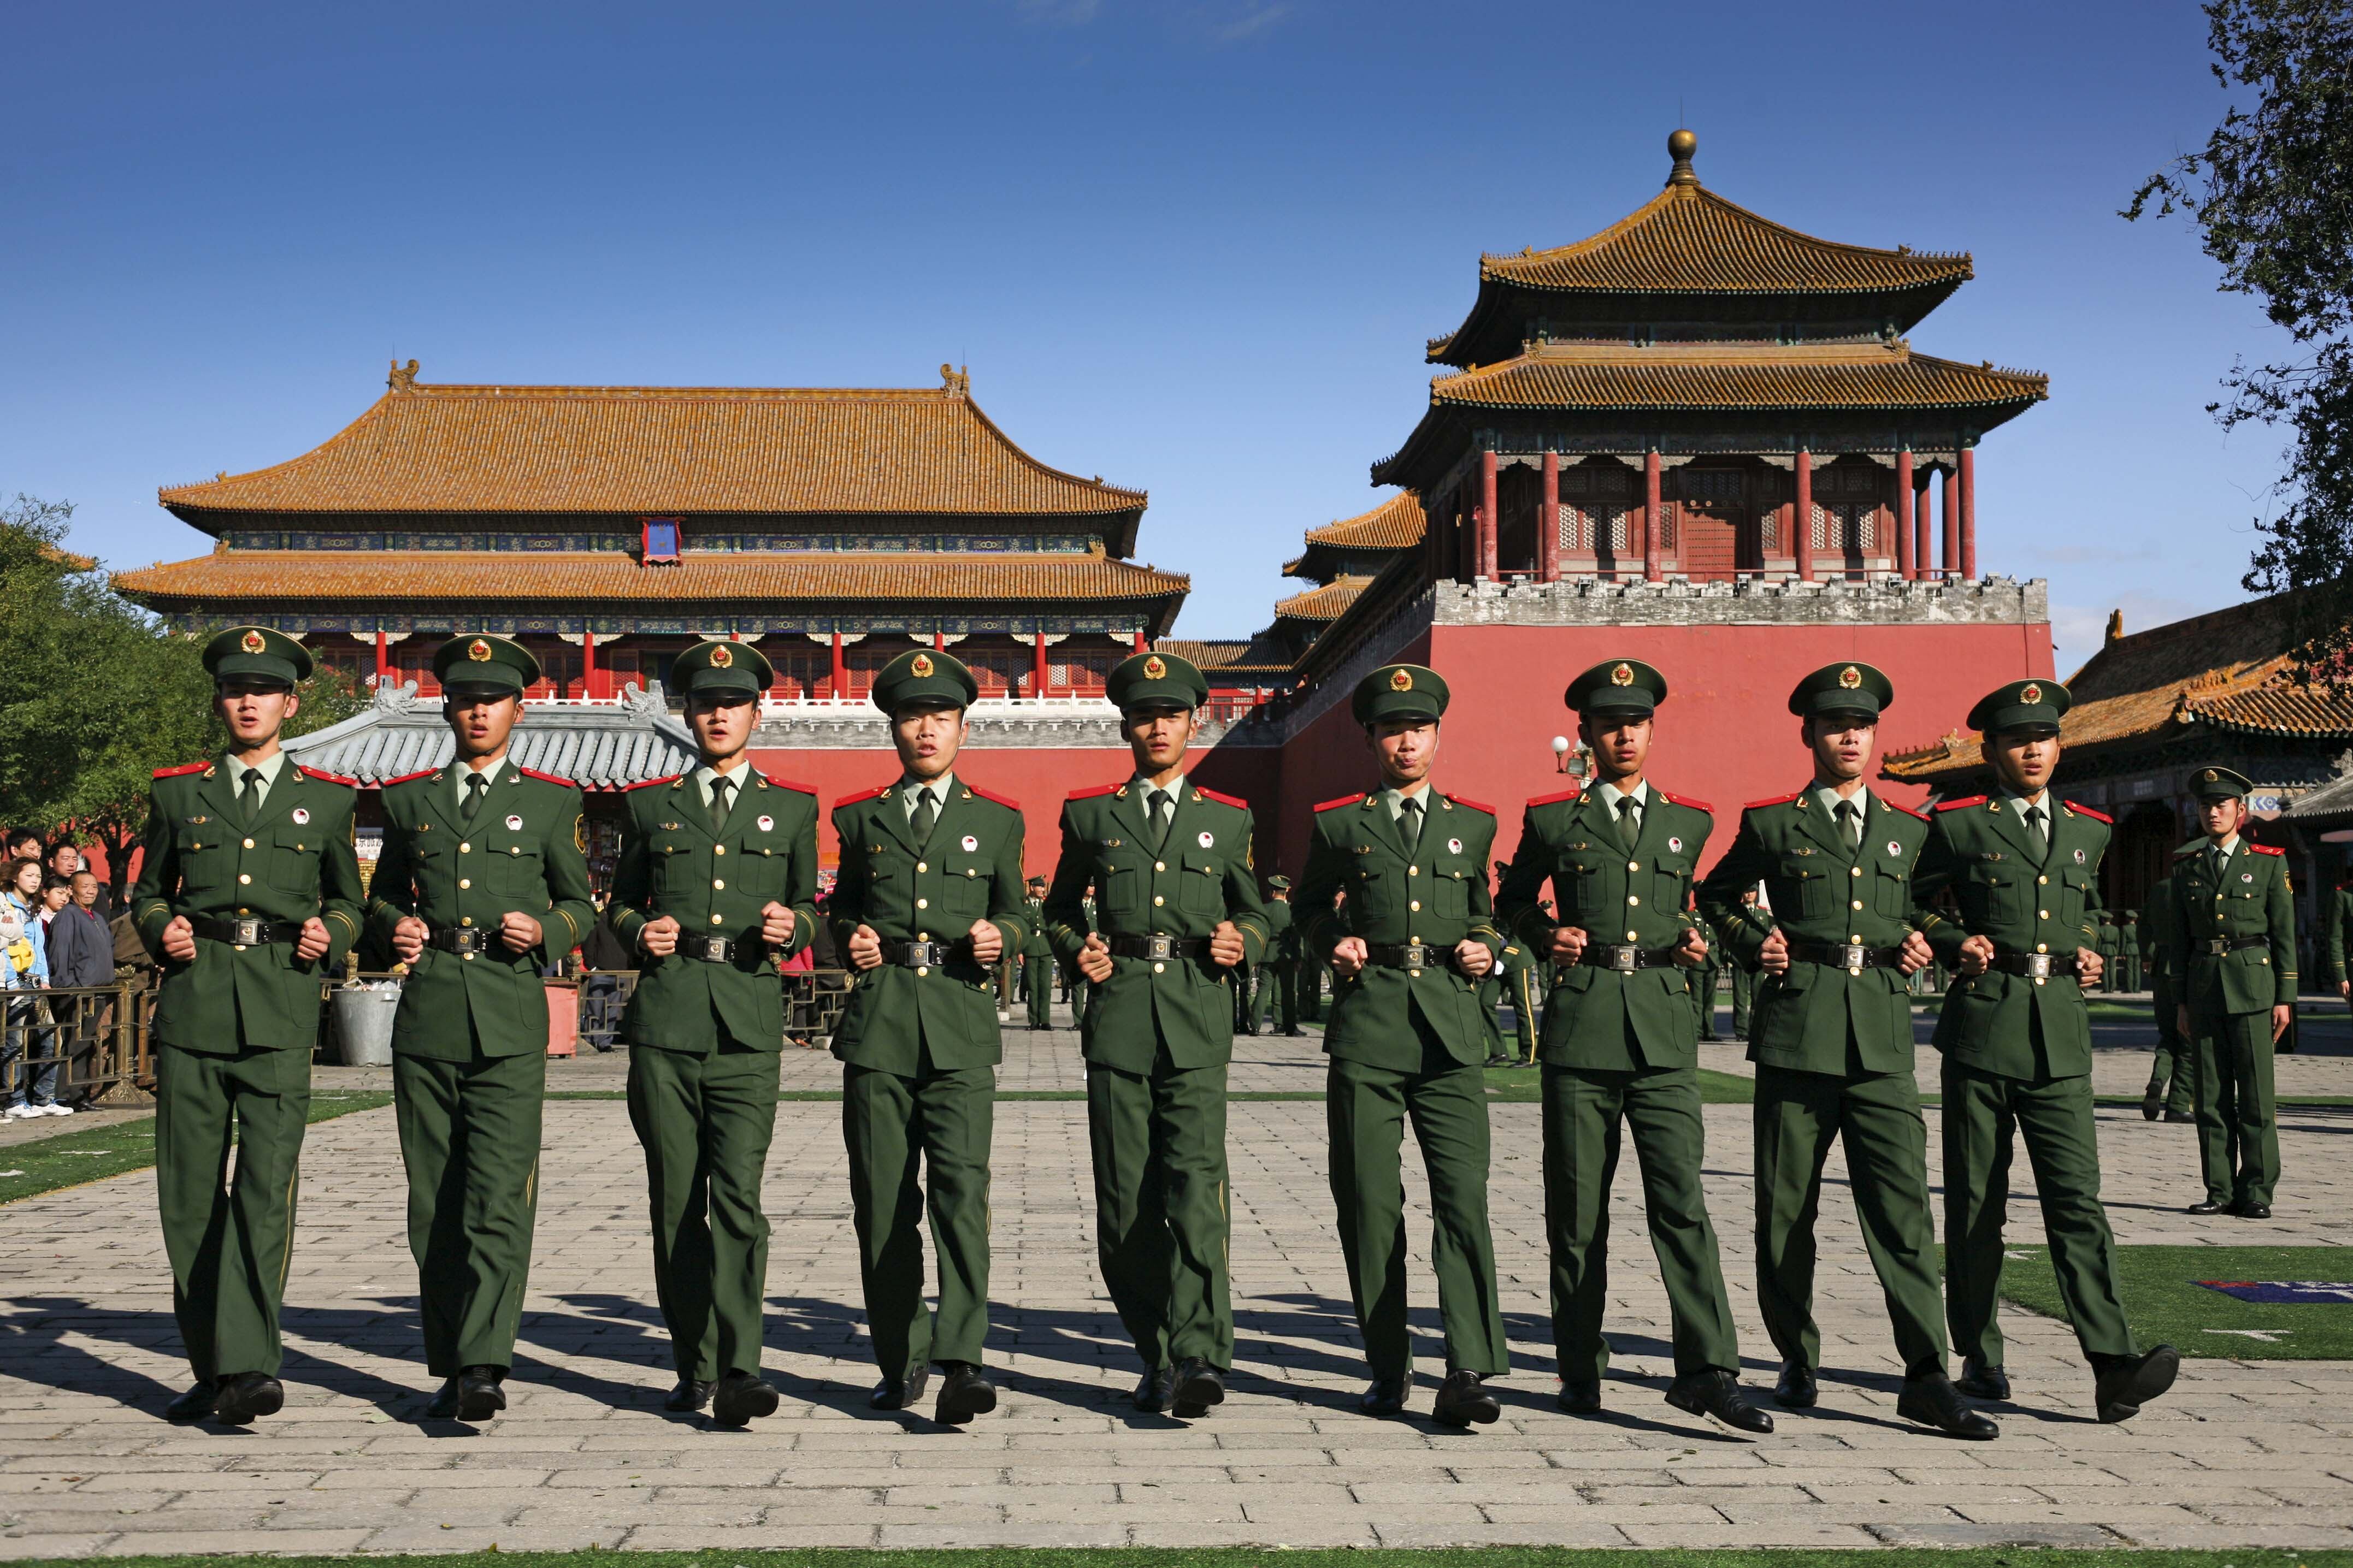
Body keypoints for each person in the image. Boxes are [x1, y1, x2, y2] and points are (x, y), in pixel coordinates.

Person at [1697, 661, 1992, 1439]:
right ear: (1810, 734)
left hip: (1881, 1038)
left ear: (1874, 734)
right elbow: (1715, 896)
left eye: (1859, 724)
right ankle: (1795, 1352)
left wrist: (1927, 939)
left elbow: (1930, 907)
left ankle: (1925, 1373)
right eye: (1833, 725)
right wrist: (1756, 941)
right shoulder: (1773, 822)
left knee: (1902, 1213)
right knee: (1784, 1211)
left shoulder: (1908, 828)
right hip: (1797, 1033)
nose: (1848, 736)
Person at [1497, 658, 1771, 1433]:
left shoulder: (1689, 820)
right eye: (1609, 722)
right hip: (1580, 1029)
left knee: (1680, 1204)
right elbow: (1511, 899)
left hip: (1660, 1031)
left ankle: (1709, 1369)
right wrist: (1548, 934)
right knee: (1576, 1212)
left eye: (1637, 721)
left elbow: (1700, 909)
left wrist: (1694, 943)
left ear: (1652, 730)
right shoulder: (1553, 818)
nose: (1624, 732)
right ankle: (1578, 1365)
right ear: (1585, 734)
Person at [1913, 678, 2179, 1423]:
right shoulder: (1959, 826)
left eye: (2044, 737)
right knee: (1975, 1204)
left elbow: (2087, 909)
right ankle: (1979, 1353)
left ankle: (2110, 1360)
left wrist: (2088, 947)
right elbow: (1901, 899)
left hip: (2059, 1035)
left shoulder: (2088, 828)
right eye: (2016, 739)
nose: (2032, 749)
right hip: (1981, 1027)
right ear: (1992, 751)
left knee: (2075, 1202)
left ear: (2059, 746)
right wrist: (1945, 940)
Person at [131, 625, 364, 1425]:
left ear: (290, 703)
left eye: (263, 691)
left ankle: (253, 1364)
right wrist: (161, 922)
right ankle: (213, 1368)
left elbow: (348, 899)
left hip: (278, 1006)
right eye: (235, 689)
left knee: (265, 1192)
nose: (249, 701)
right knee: (190, 1198)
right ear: (222, 701)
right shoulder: (177, 792)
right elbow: (148, 888)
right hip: (196, 1006)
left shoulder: (330, 797)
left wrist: (330, 932)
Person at [367, 634, 597, 1422]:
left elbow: (582, 904)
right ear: (445, 707)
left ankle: (485, 1361)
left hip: (506, 1012)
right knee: (433, 1198)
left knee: (499, 1195)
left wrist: (549, 929)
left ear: (517, 710)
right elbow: (382, 896)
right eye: (464, 698)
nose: (477, 710)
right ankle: (448, 1354)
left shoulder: (551, 801)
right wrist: (393, 923)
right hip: (429, 1011)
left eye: (492, 699)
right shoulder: (407, 799)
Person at [1044, 651, 1267, 1415]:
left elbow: (1261, 907)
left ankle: (1200, 1351)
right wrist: (1078, 949)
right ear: (1127, 726)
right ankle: (1155, 1347)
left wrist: (1247, 938)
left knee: (1196, 1190)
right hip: (1119, 1018)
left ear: (1193, 720)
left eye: (1171, 713)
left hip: (1197, 1016)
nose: (1158, 725)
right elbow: (1058, 907)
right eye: (1144, 715)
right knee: (1125, 1203)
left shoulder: (1226, 817)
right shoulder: (1091, 814)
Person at [605, 639, 818, 1425]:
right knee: (675, 1201)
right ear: (686, 713)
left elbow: (812, 907)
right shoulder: (649, 804)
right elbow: (618, 901)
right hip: (667, 1021)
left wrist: (795, 922)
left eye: (733, 703)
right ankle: (690, 1362)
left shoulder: (792, 807)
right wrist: (639, 929)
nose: (719, 713)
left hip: (747, 1021)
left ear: (757, 714)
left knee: (738, 1198)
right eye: (704, 702)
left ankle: (740, 1364)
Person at [1294, 663, 1507, 1427]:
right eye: (1391, 728)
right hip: (1368, 1026)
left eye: (1417, 727)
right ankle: (1387, 1364)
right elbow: (1309, 905)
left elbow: (1483, 914)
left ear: (1437, 734)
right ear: (1372, 739)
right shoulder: (1339, 824)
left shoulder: (1471, 823)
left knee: (1462, 1201)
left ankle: (1468, 1365)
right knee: (1369, 1203)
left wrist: (1487, 948)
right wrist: (1331, 942)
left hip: (1450, 1032)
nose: (1405, 739)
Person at [828, 649, 1026, 1425]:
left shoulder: (996, 819)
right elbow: (839, 908)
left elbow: (1022, 913)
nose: (925, 729)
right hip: (878, 1029)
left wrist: (999, 933)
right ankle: (898, 1356)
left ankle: (961, 1356)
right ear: (894, 728)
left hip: (960, 1027)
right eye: (912, 716)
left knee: (960, 1195)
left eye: (939, 717)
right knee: (882, 1202)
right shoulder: (860, 816)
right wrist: (850, 936)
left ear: (961, 727)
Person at [2168, 766, 2293, 1220]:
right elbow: (2179, 939)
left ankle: (2257, 1189)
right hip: (2203, 988)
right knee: (2211, 1095)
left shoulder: (2266, 860)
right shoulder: (2186, 863)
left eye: (2221, 804)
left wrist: (2285, 997)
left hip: (2253, 987)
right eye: (2205, 805)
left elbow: (2283, 933)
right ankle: (2218, 1187)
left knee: (2256, 1096)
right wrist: (2180, 1000)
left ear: (2240, 811)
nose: (2212, 811)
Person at [2, 860, 58, 1119]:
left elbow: (39, 950)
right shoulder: (6, 905)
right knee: (14, 1043)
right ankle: (14, 1099)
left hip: (37, 983)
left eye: (39, 876)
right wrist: (14, 983)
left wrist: (45, 978)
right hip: (16, 983)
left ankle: (44, 1099)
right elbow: (5, 949)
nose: (36, 880)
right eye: (30, 875)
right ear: (15, 877)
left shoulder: (34, 909)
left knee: (52, 1038)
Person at [1248, 875, 1298, 1037]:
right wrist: (1298, 957)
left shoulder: (1264, 909)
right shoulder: (1291, 910)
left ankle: (1255, 1026)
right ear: (1286, 892)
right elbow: (1296, 937)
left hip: (1266, 954)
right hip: (1286, 955)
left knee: (1263, 991)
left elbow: (1258, 934)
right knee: (1288, 992)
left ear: (1272, 892)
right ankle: (1289, 1027)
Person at [1020, 876, 1055, 1030]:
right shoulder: (1024, 905)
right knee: (1032, 987)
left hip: (1046, 947)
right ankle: (1034, 1020)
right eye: (1039, 886)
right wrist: (1020, 951)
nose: (1042, 889)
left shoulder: (1047, 904)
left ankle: (1045, 1020)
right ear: (1032, 887)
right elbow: (1021, 929)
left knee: (1045, 986)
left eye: (1042, 886)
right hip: (1030, 946)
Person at [48, 840, 109, 921]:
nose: (71, 864)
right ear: (52, 862)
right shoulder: (43, 886)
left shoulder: (90, 889)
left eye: (75, 859)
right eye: (66, 859)